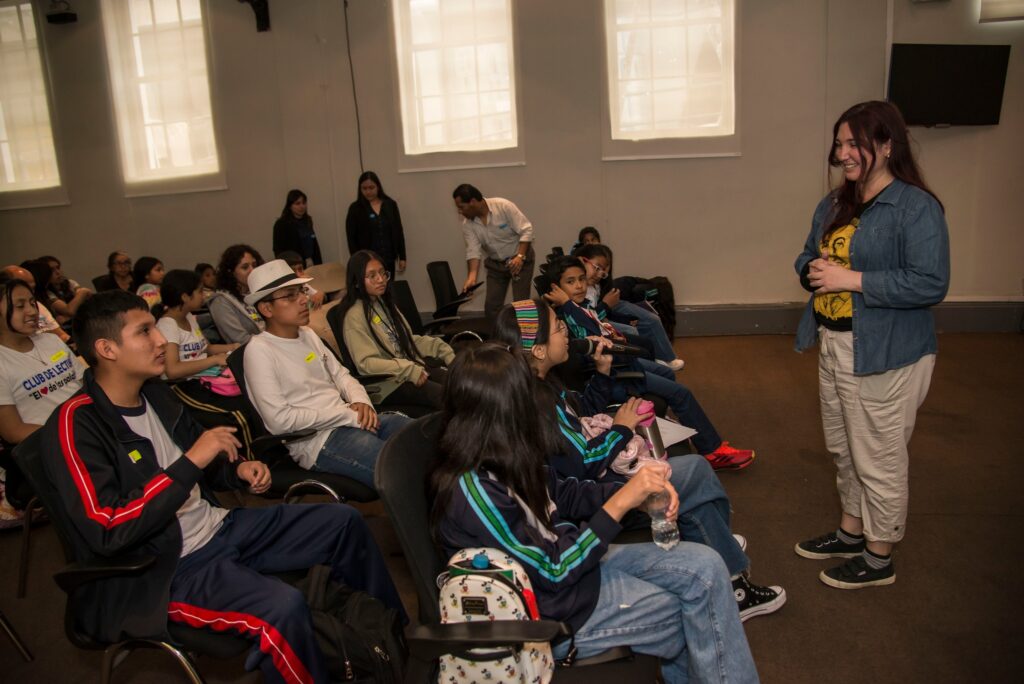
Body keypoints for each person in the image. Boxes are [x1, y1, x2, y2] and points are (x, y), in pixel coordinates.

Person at [36, 290, 404, 683]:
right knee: (282, 609)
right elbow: (108, 528)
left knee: (343, 523)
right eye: (144, 332)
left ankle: (392, 644)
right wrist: (191, 461)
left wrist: (239, 469)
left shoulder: (154, 394)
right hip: (165, 567)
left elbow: (213, 463)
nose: (161, 341)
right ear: (107, 348)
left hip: (217, 526)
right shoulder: (76, 424)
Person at [431, 343, 760, 683]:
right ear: (503, 410)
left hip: (575, 572)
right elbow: (554, 569)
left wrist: (637, 496)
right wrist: (620, 503)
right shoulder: (473, 490)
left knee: (706, 567)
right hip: (552, 614)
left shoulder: (507, 452)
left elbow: (567, 494)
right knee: (690, 610)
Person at [494, 298, 785, 621]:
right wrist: (620, 428)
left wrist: (603, 376)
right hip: (592, 499)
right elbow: (582, 463)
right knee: (696, 473)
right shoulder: (535, 401)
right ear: (537, 349)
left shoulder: (542, 384)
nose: (567, 333)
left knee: (694, 479)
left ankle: (722, 556)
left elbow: (580, 418)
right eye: (559, 327)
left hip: (594, 482)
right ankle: (733, 582)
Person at [794, 100, 950, 589]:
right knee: (843, 447)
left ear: (885, 145)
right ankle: (852, 529)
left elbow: (930, 283)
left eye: (853, 143)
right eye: (838, 143)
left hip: (887, 350)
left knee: (877, 454)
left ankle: (879, 557)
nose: (842, 153)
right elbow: (807, 255)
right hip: (835, 342)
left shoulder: (915, 206)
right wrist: (811, 271)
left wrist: (852, 278)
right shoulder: (836, 202)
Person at [543, 256, 754, 471]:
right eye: (570, 282)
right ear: (555, 289)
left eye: (581, 279)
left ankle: (680, 421)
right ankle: (712, 451)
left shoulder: (580, 307)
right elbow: (598, 337)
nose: (579, 286)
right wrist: (568, 305)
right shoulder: (565, 316)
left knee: (667, 373)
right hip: (608, 375)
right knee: (682, 393)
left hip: (617, 365)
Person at [242, 260, 411, 487]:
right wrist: (348, 415)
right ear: (266, 308)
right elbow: (280, 421)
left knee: (421, 437)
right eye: (290, 296)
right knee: (400, 468)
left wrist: (361, 402)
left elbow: (342, 375)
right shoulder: (259, 351)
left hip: (350, 420)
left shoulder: (307, 335)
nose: (304, 299)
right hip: (317, 440)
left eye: (300, 291)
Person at [0, 273, 85, 523]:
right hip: (50, 445)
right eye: (19, 306)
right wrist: (69, 434)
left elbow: (85, 384)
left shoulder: (50, 341)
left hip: (85, 429)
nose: (32, 311)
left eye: (32, 302)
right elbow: (13, 430)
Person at [338, 250, 454, 417]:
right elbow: (366, 364)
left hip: (407, 367)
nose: (380, 279)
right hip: (388, 382)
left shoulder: (382, 303)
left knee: (457, 384)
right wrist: (407, 369)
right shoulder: (354, 316)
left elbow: (406, 341)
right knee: (446, 396)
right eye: (372, 275)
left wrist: (443, 349)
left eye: (382, 273)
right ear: (356, 282)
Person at [154, 270, 258, 450]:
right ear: (185, 297)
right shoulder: (167, 325)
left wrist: (232, 348)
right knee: (236, 415)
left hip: (207, 378)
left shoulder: (188, 317)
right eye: (200, 291)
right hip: (185, 386)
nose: (204, 295)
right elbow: (172, 370)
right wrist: (214, 360)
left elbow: (205, 348)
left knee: (253, 399)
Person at [573, 243, 683, 371]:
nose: (598, 275)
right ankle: (644, 367)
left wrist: (624, 318)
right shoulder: (580, 288)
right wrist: (606, 305)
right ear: (582, 260)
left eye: (603, 273)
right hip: (595, 329)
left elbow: (598, 314)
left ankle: (658, 362)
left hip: (602, 320)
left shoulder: (595, 287)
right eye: (597, 268)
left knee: (643, 326)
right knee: (632, 333)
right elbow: (588, 318)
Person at [452, 183, 535, 320]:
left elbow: (526, 230)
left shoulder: (503, 206)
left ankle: (525, 339)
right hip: (496, 265)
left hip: (520, 260)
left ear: (472, 202)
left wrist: (520, 257)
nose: (460, 212)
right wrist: (471, 278)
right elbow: (473, 251)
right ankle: (497, 339)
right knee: (491, 307)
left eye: (461, 207)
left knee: (522, 305)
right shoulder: (468, 225)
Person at [345, 171, 407, 276]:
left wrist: (402, 257)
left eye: (371, 187)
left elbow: (398, 231)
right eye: (364, 188)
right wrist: (357, 261)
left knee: (388, 288)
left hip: (388, 258)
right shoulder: (355, 208)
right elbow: (351, 238)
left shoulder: (390, 205)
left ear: (378, 187)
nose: (368, 192)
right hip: (367, 261)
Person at [207, 245, 265, 345]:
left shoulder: (258, 291)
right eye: (245, 267)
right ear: (231, 272)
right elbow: (241, 340)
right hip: (251, 352)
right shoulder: (220, 301)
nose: (252, 270)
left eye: (254, 265)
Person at [1, 265, 71, 344]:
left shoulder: (37, 305)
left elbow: (61, 335)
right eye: (20, 306)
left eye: (33, 288)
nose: (33, 312)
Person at [273, 189, 322, 267]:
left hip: (311, 262)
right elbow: (279, 251)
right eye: (297, 203)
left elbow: (314, 244)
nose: (302, 206)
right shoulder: (281, 224)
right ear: (290, 206)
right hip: (294, 265)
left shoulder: (307, 220)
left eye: (304, 203)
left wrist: (318, 263)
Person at [38, 255, 93, 322]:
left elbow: (88, 298)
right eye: (52, 270)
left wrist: (67, 317)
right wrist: (84, 291)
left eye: (58, 268)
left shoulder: (70, 283)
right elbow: (69, 310)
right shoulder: (46, 293)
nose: (58, 272)